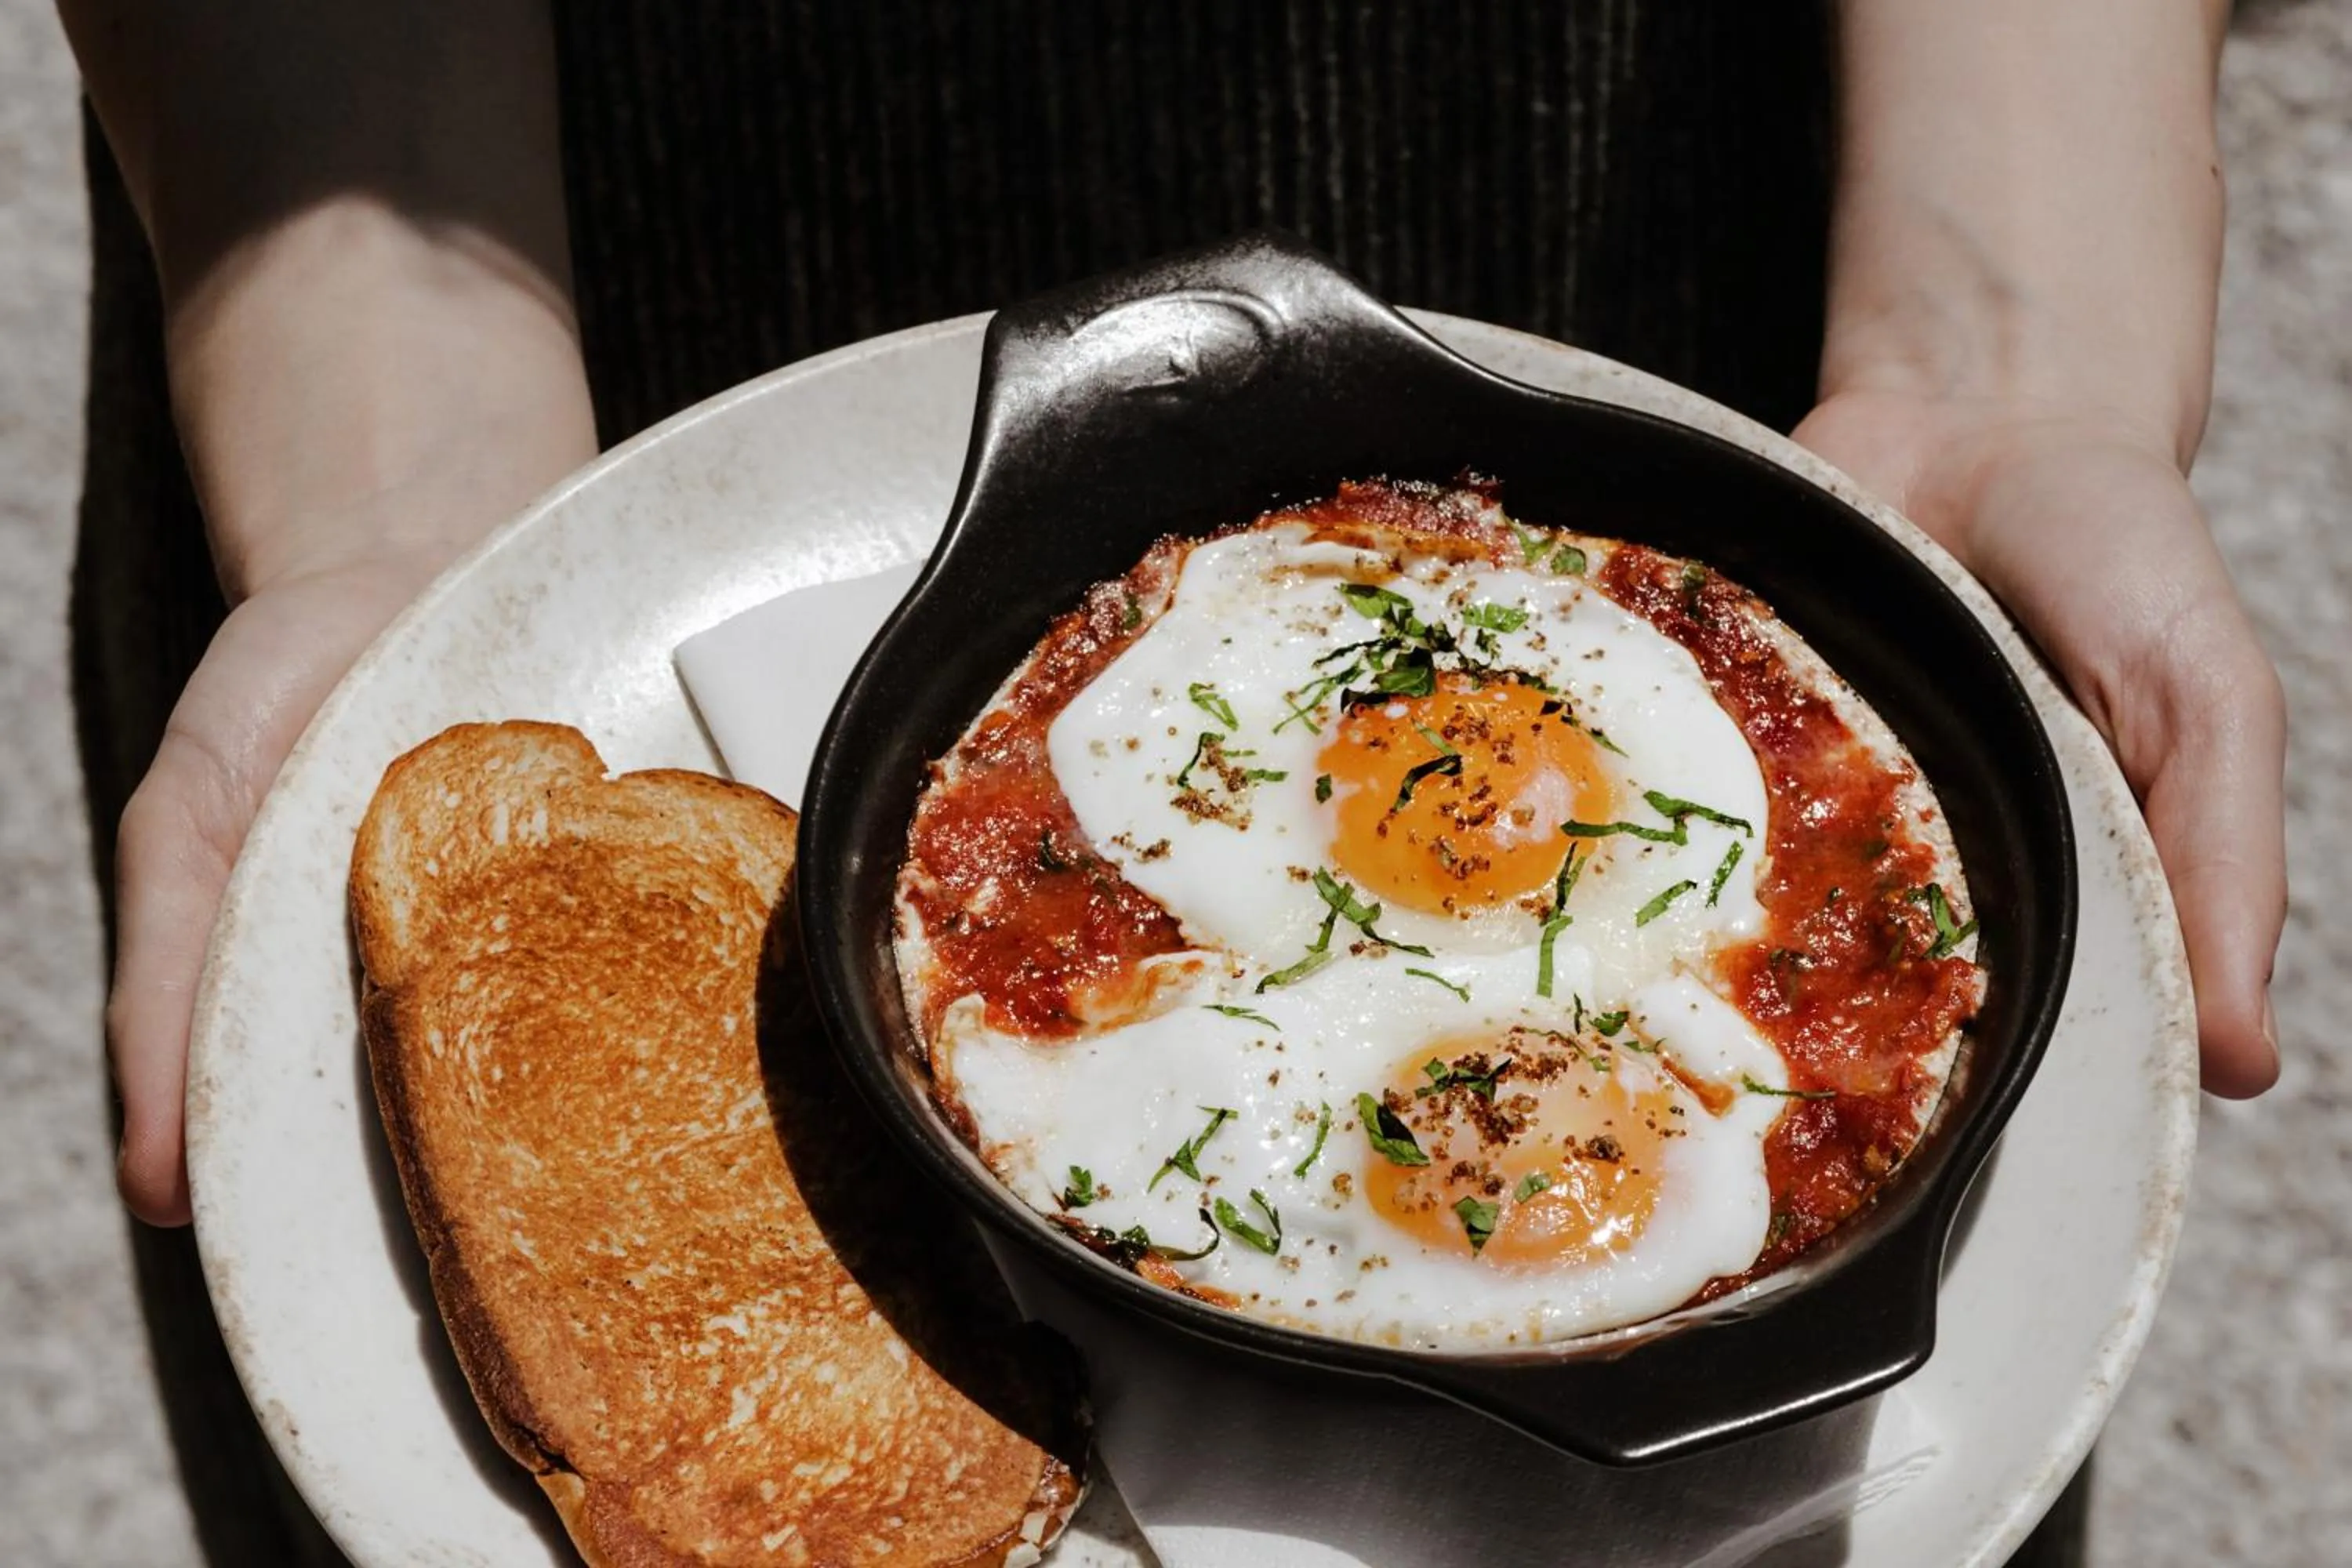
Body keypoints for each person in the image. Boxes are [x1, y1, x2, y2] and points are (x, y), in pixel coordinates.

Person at [57, 2, 2281, 1563]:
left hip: (1709, 246)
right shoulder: (1089, 852)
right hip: (447, 236)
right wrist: (406, 497)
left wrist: (2014, 346)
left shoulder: (1780, 854)